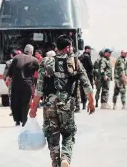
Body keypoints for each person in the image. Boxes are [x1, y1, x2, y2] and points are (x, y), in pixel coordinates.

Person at [29, 35, 95, 167]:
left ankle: (55, 163)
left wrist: (34, 108)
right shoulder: (75, 62)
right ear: (67, 47)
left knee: (52, 135)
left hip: (49, 104)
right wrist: (91, 102)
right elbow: (86, 84)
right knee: (68, 134)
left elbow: (39, 89)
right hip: (67, 103)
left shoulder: (46, 62)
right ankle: (65, 156)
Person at [6, 44, 39, 126]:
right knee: (26, 102)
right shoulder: (34, 60)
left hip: (16, 84)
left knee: (16, 101)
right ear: (31, 51)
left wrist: (8, 78)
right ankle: (24, 120)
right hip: (28, 84)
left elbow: (10, 71)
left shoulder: (16, 57)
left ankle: (17, 120)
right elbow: (39, 72)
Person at [3, 50, 19, 116]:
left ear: (11, 55)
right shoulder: (21, 61)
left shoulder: (9, 62)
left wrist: (5, 80)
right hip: (21, 81)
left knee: (11, 96)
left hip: (12, 81)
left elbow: (5, 74)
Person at [78, 45, 94, 110]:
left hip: (82, 75)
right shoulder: (87, 56)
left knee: (82, 89)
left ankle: (84, 103)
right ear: (87, 49)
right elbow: (91, 66)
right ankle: (89, 103)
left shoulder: (81, 56)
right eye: (89, 49)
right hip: (88, 75)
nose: (90, 51)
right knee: (88, 89)